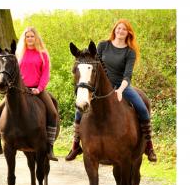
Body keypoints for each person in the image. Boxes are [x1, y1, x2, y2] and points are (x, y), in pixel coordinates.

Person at [65, 18, 157, 162]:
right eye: (118, 28)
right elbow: (95, 66)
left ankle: (149, 147)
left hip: (122, 86)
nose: (120, 31)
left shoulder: (130, 52)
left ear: (128, 33)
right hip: (100, 87)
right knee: (79, 112)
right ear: (114, 30)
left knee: (143, 109)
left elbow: (127, 75)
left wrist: (120, 90)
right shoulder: (103, 45)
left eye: (124, 29)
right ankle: (76, 146)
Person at [0, 26, 58, 161]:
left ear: (36, 38)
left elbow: (45, 74)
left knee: (53, 112)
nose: (30, 38)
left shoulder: (43, 54)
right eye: (27, 36)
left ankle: (49, 147)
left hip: (37, 90)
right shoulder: (18, 54)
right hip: (20, 90)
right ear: (24, 39)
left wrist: (39, 88)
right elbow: (10, 70)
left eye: (32, 36)